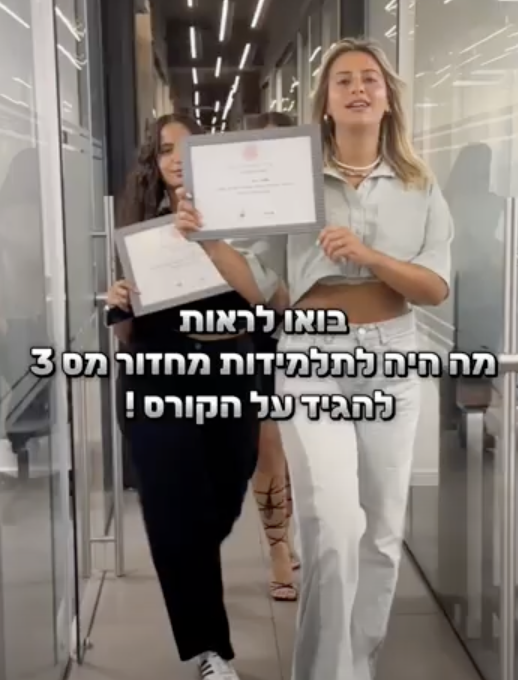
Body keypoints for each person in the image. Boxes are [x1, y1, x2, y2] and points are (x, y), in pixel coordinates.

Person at [178, 37, 453, 680]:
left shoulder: (419, 184)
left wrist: (370, 256)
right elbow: (262, 288)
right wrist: (208, 241)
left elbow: (435, 287)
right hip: (312, 356)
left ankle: (356, 667)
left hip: (392, 357)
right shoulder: (294, 185)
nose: (358, 88)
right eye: (343, 81)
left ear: (388, 99)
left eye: (370, 79)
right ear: (325, 102)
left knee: (381, 534)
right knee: (332, 526)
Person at [106, 113, 284, 680]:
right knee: (174, 512)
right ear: (154, 162)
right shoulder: (141, 227)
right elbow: (125, 332)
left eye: (188, 149)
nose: (176, 159)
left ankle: (190, 555)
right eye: (165, 150)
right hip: (156, 377)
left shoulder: (243, 216)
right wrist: (119, 303)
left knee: (225, 493)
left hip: (231, 372)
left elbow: (270, 300)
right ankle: (211, 650)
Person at [245, 111, 300, 602]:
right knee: (270, 444)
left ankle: (289, 534)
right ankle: (279, 548)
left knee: (300, 448)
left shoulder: (312, 200)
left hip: (314, 334)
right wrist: (272, 287)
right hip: (258, 332)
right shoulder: (237, 202)